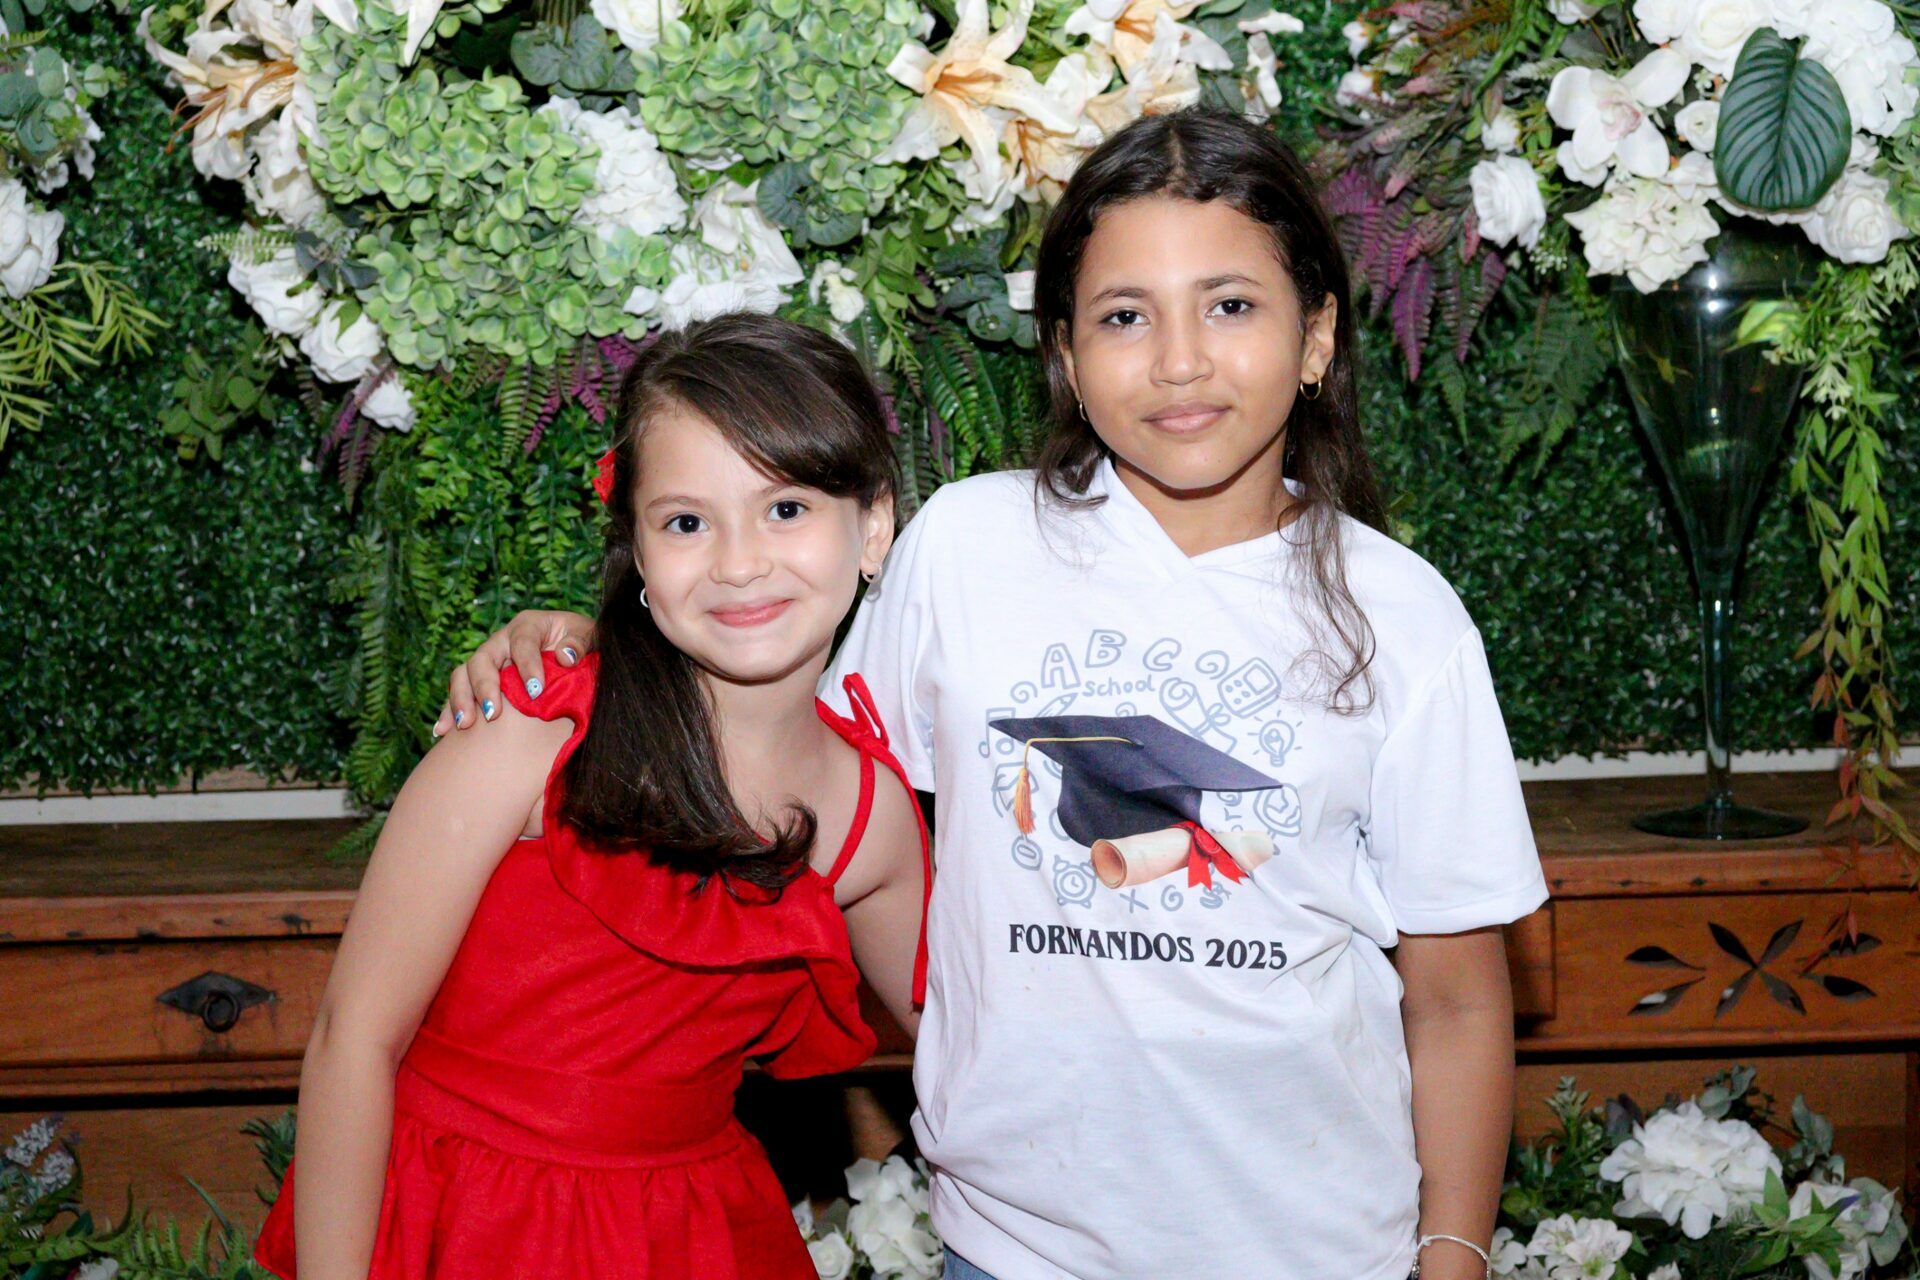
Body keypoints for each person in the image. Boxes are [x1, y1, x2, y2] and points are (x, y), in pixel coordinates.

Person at [442, 109, 1548, 1280]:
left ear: (1316, 335)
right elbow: (777, 743)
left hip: (1317, 1244)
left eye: (1230, 305)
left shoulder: (1400, 617)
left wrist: (1453, 1256)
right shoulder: (967, 547)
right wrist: (597, 644)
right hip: (1012, 1245)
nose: (1179, 360)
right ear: (1064, 353)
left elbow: (1458, 1000)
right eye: (1124, 315)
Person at [259, 313, 929, 1280]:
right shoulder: (530, 730)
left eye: (786, 508)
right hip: (462, 1222)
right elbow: (352, 1039)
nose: (740, 562)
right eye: (687, 522)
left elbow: (978, 1055)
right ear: (638, 551)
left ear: (871, 527)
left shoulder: (873, 819)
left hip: (692, 1239)